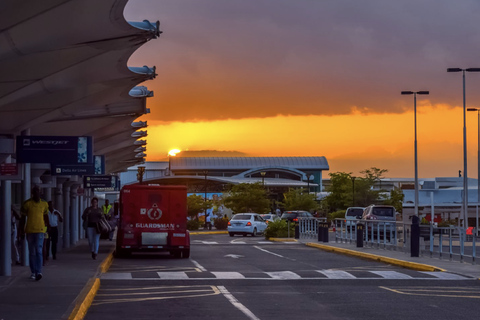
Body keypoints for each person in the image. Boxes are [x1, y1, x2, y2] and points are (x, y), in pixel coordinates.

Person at [20, 186, 49, 281]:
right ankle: (33, 271)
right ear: (32, 193)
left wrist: (47, 229)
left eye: (38, 192)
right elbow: (22, 219)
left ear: (40, 193)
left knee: (39, 251)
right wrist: (21, 230)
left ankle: (39, 271)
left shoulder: (44, 204)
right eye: (35, 192)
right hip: (29, 230)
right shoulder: (27, 204)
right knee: (32, 252)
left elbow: (46, 217)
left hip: (40, 230)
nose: (37, 193)